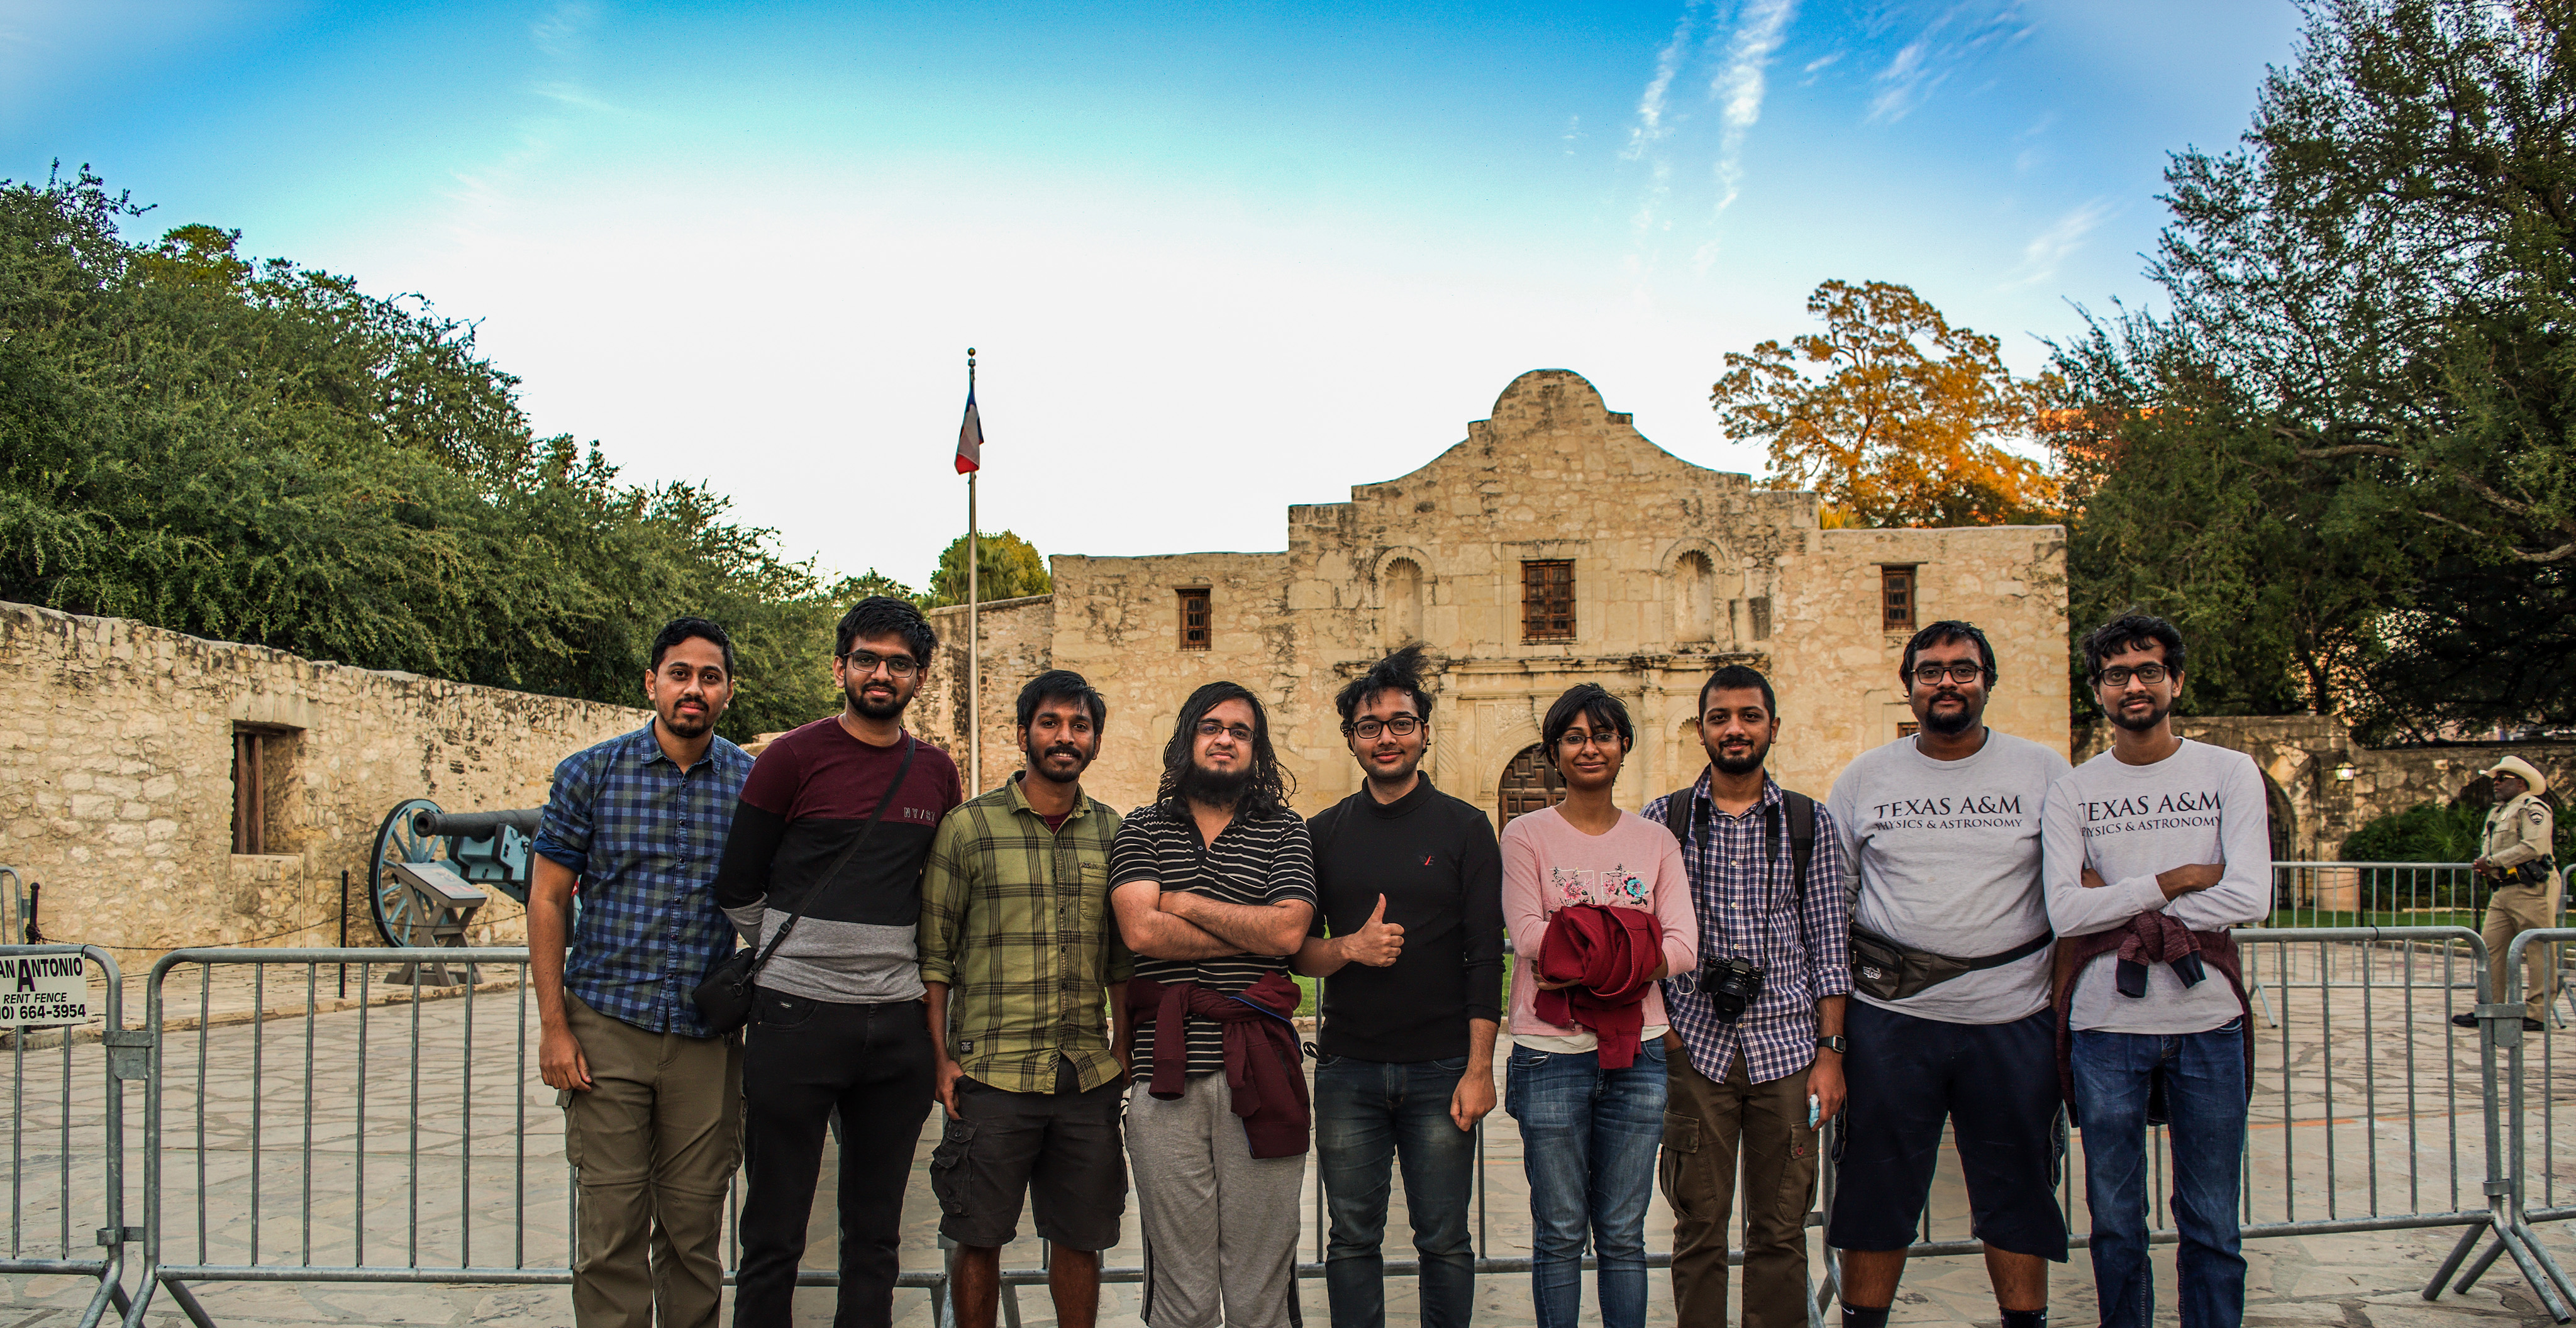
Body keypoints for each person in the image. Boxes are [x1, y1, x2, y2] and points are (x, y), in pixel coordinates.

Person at [716, 596, 965, 1328]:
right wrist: (800, 956)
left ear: (919, 678)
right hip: (795, 1017)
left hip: (895, 1025)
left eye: (898, 663)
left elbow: (936, 887)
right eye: (866, 659)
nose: (880, 674)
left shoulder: (935, 773)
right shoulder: (791, 758)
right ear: (839, 668)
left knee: (876, 1231)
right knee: (774, 1225)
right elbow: (737, 883)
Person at [1824, 623, 2071, 1328]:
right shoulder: (1865, 778)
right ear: (1908, 686)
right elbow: (1833, 906)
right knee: (1877, 1188)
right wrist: (1833, 1039)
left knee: (2018, 1188)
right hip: (1891, 1021)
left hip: (2012, 1019)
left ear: (1987, 681)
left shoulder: (2044, 772)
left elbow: (2073, 899)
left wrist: (2059, 1016)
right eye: (1929, 671)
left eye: (1963, 669)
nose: (1946, 683)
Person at [2044, 612, 2270, 1328]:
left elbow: (2251, 896)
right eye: (2117, 675)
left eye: (2148, 671)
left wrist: (2115, 900)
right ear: (2098, 691)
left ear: (2176, 681)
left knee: (2212, 1218)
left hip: (2208, 1022)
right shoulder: (2074, 790)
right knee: (2115, 1221)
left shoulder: (2227, 772)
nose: (2133, 686)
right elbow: (2065, 912)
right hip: (2105, 1025)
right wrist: (2176, 880)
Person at [530, 617, 753, 1328]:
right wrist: (554, 1027)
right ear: (652, 682)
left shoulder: (752, 785)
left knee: (693, 1232)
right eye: (680, 674)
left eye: (710, 677)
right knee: (610, 1231)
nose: (694, 689)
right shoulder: (590, 774)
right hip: (606, 1027)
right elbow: (547, 898)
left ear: (728, 692)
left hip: (703, 1038)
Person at [1294, 646, 1504, 1328]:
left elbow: (1484, 958)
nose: (1386, 737)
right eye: (1369, 726)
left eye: (1400, 723)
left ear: (1424, 732)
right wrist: (1349, 948)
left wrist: (1479, 1069)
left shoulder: (1466, 828)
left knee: (1444, 1240)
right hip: (1349, 1070)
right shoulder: (1322, 834)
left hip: (1441, 1070)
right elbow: (1299, 954)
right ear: (1351, 739)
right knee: (1351, 1239)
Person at [919, 670, 1133, 1328]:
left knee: (1081, 1238)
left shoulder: (1114, 833)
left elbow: (1121, 959)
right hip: (992, 1074)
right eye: (1050, 723)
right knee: (977, 1236)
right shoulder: (968, 829)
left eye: (1079, 726)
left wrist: (1123, 1046)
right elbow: (934, 955)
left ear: (1095, 742)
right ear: (1023, 734)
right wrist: (940, 1058)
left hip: (1083, 1075)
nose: (1064, 737)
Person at [1642, 665, 1852, 1328]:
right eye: (1720, 717)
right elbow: (1644, 937)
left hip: (1787, 1050)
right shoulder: (1665, 820)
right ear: (1701, 730)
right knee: (1697, 1227)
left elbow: (1829, 943)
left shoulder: (1808, 822)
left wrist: (1830, 1053)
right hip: (1695, 1051)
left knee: (1782, 1229)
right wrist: (1668, 1036)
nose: (1735, 729)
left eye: (1749, 716)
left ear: (1773, 728)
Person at [1109, 682, 1317, 1328]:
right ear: (1186, 739)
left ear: (1256, 750)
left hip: (1263, 1068)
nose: (1225, 739)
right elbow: (1140, 932)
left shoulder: (1284, 830)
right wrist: (1252, 926)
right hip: (1164, 1076)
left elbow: (1289, 932)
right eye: (1211, 726)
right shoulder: (1142, 827)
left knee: (1260, 1288)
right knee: (1182, 1292)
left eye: (1240, 731)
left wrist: (1182, 902)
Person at [1501, 683, 1697, 1328]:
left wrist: (1578, 950)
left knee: (1621, 1233)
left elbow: (1684, 947)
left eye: (1604, 735)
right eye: (1575, 737)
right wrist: (1632, 942)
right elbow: (1528, 938)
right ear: (1554, 751)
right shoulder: (1526, 836)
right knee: (1559, 1230)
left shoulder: (1655, 841)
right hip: (1549, 1053)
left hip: (1638, 1052)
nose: (1590, 748)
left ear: (1624, 746)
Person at [2452, 755, 2562, 1033]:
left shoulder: (2532, 807)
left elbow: (2534, 846)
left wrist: (2491, 862)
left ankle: (2538, 1013)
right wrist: (2488, 865)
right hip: (2503, 889)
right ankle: (2490, 1007)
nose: (2496, 783)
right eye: (2495, 779)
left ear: (2521, 783)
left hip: (2531, 887)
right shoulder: (2498, 812)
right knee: (2489, 948)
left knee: (2539, 949)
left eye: (2502, 778)